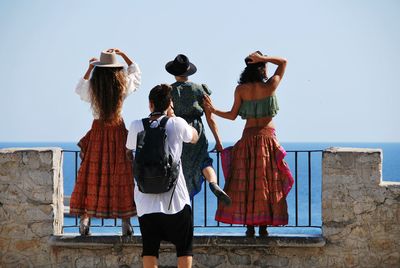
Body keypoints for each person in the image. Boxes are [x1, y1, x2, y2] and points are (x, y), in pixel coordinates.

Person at [204, 51, 294, 237]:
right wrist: (264, 59)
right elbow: (284, 62)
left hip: (247, 139)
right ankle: (263, 227)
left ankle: (250, 227)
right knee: (266, 182)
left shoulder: (241, 89)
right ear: (261, 67)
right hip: (267, 139)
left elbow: (232, 115)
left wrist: (213, 110)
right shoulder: (270, 86)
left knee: (247, 183)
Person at [69, 49, 141, 236]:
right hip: (117, 132)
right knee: (122, 175)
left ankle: (85, 221)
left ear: (99, 69)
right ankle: (125, 224)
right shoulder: (122, 85)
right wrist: (123, 54)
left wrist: (89, 67)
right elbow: (135, 72)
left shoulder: (94, 87)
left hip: (98, 132)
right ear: (116, 69)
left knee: (92, 174)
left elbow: (80, 88)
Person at [126, 84, 198, 268]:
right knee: (184, 248)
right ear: (170, 104)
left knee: (149, 249)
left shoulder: (136, 125)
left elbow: (130, 148)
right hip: (176, 201)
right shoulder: (177, 123)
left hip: (145, 201)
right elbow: (194, 137)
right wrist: (174, 117)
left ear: (150, 104)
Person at [165, 54, 231, 205]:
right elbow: (210, 118)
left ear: (174, 73)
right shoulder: (199, 89)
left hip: (177, 130)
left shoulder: (169, 91)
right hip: (197, 130)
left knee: (178, 165)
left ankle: (181, 204)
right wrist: (219, 141)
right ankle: (213, 183)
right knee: (204, 162)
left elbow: (167, 114)